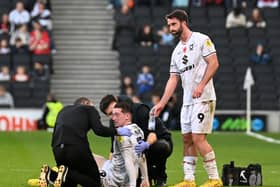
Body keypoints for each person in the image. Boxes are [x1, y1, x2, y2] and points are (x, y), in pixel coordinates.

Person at [151, 10, 222, 187]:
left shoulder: (201, 39)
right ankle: (189, 180)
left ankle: (215, 179)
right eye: (169, 25)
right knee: (187, 139)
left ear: (183, 23)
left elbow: (214, 63)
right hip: (188, 102)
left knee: (198, 139)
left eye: (173, 24)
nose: (171, 28)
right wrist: (161, 103)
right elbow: (173, 79)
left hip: (203, 97)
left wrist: (201, 85)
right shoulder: (176, 52)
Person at [38, 97, 132, 187]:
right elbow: (99, 130)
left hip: (57, 148)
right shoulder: (89, 109)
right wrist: (117, 131)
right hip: (76, 147)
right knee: (95, 182)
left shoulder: (64, 110)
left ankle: (50, 174)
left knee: (69, 184)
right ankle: (66, 173)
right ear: (86, 103)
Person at [100, 95, 173, 187]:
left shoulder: (140, 110)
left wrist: (146, 144)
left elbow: (152, 134)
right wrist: (109, 170)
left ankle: (160, 176)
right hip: (137, 149)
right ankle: (148, 176)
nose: (114, 115)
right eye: (110, 114)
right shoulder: (114, 123)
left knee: (160, 147)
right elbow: (114, 150)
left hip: (158, 140)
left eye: (115, 109)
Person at [94, 102, 150, 187]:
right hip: (121, 171)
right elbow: (141, 156)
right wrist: (145, 179)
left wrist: (132, 185)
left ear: (127, 116)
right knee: (98, 158)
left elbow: (128, 161)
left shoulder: (122, 134)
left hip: (113, 179)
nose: (113, 118)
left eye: (117, 115)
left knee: (84, 158)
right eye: (112, 115)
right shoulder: (138, 130)